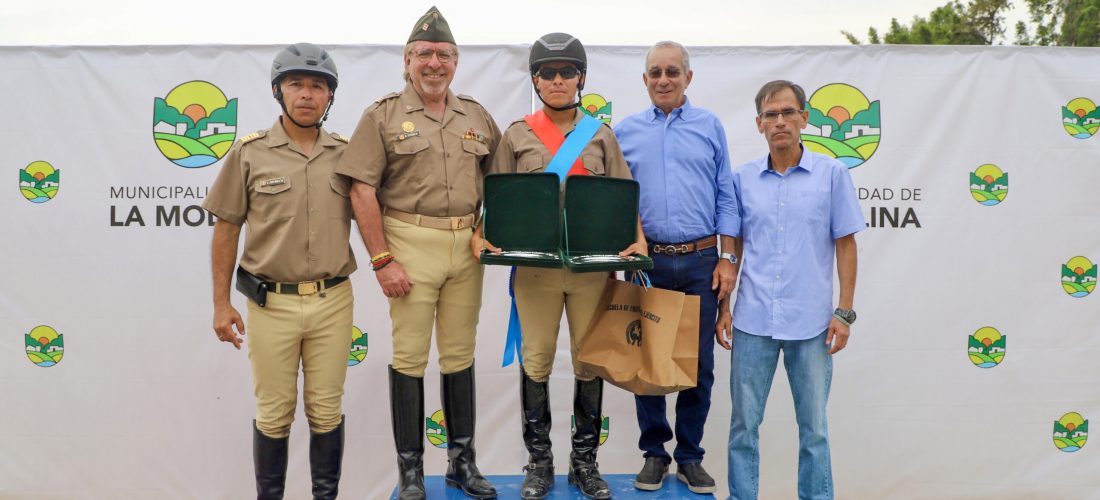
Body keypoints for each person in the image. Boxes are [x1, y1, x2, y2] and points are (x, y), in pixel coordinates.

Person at [471, 32, 648, 500]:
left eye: (566, 72)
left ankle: (585, 462)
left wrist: (637, 241)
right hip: (536, 270)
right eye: (547, 73)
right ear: (535, 79)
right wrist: (482, 232)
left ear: (580, 78)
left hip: (591, 270)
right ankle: (540, 462)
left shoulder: (601, 135)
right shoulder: (517, 135)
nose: (556, 80)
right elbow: (495, 199)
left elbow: (624, 198)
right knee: (537, 360)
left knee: (589, 362)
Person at [335, 7, 501, 500]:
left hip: (465, 248)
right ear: (407, 61)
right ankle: (410, 469)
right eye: (424, 54)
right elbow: (361, 190)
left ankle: (461, 462)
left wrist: (484, 231)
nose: (435, 63)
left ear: (456, 62)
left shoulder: (475, 114)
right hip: (408, 242)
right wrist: (383, 260)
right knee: (409, 356)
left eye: (444, 55)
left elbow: (499, 186)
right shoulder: (382, 114)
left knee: (460, 356)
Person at [204, 42, 354, 500]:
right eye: (296, 85)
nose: (306, 94)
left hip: (332, 301)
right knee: (274, 413)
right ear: (278, 91)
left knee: (326, 411)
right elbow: (226, 231)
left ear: (330, 96)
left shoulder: (348, 156)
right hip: (272, 304)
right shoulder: (250, 154)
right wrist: (220, 303)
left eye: (317, 86)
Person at [719, 80, 864, 500]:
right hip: (752, 321)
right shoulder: (742, 179)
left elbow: (846, 244)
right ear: (759, 123)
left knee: (814, 428)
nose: (779, 121)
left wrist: (845, 312)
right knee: (744, 426)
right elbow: (734, 249)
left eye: (787, 113)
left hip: (812, 324)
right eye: (770, 114)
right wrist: (724, 307)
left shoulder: (832, 174)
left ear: (805, 118)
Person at [612, 40, 739, 495]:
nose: (663, 79)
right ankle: (654, 454)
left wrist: (727, 258)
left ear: (688, 77)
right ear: (644, 80)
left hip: (702, 261)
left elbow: (726, 195)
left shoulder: (710, 126)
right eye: (654, 73)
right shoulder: (624, 131)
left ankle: (689, 456)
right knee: (647, 362)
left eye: (672, 71)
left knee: (698, 366)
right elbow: (618, 201)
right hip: (648, 262)